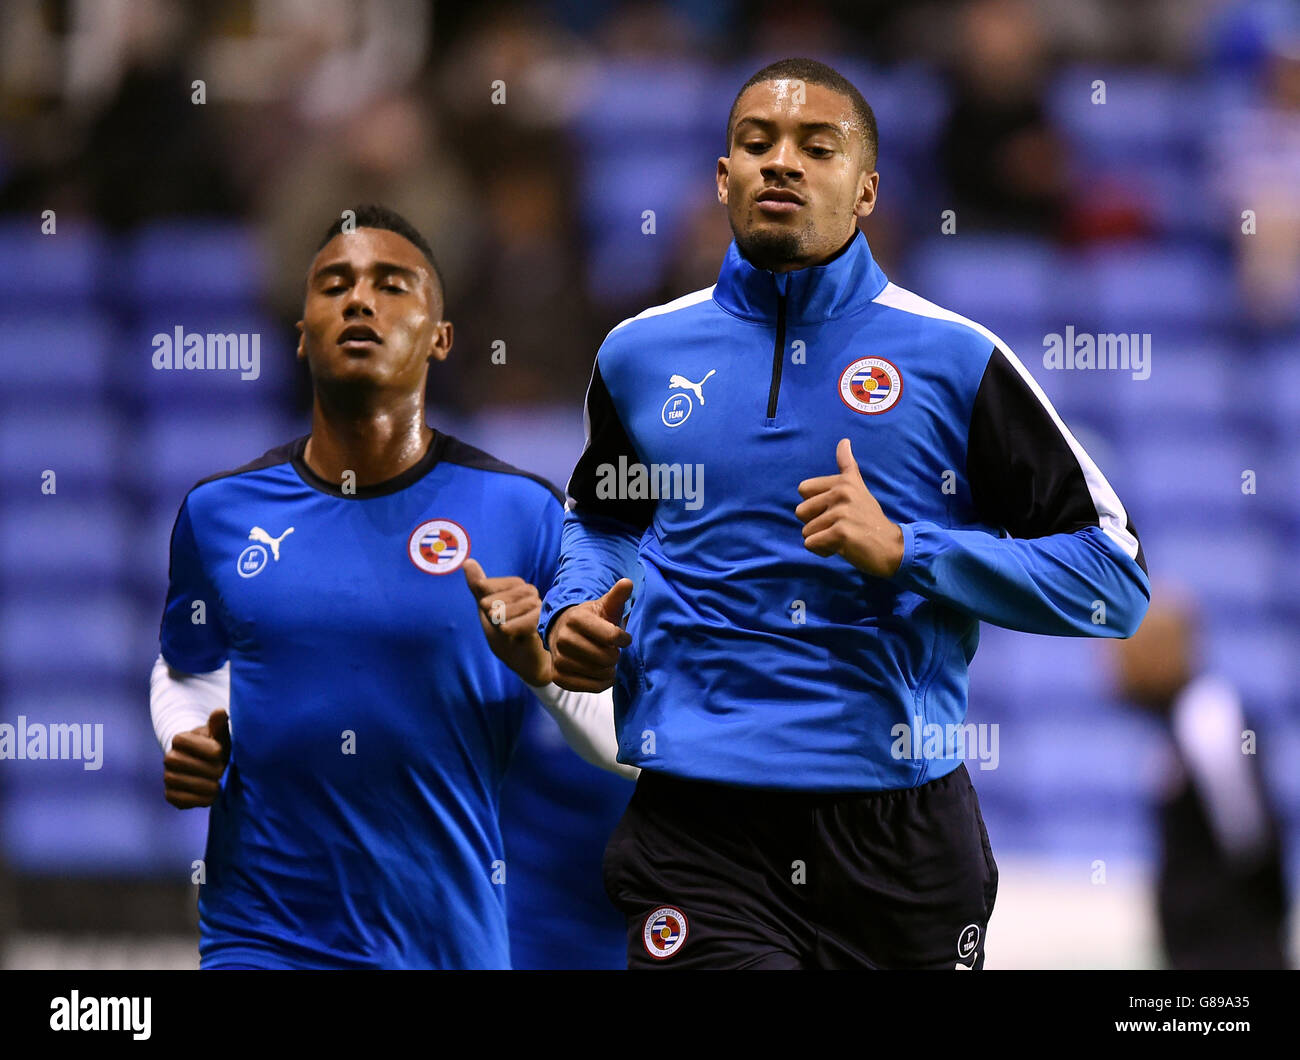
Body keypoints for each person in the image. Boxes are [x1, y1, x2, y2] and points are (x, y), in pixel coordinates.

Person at [541, 57, 1150, 970]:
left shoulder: (957, 360)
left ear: (866, 192)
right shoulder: (639, 353)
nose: (780, 162)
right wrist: (575, 606)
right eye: (757, 143)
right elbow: (603, 518)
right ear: (724, 178)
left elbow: (1115, 581)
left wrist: (912, 550)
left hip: (897, 837)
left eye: (814, 147)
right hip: (700, 824)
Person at [151, 204, 635, 969]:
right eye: (334, 284)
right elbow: (187, 667)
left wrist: (544, 671)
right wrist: (188, 730)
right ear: (302, 330)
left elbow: (619, 746)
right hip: (262, 937)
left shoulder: (524, 513)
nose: (359, 300)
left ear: (441, 337)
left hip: (447, 943)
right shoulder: (219, 514)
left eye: (392, 285)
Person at [1113, 591, 1290, 969]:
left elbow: (1250, 837)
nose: (1113, 669)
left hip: (1232, 948)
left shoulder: (1208, 717)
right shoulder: (1179, 721)